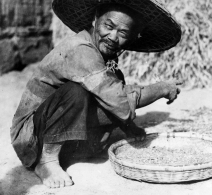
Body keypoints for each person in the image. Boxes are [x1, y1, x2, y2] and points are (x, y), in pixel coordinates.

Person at [10, 0, 182, 189]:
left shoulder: (103, 54)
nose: (113, 37)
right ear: (95, 20)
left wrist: (127, 126)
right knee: (78, 91)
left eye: (123, 33)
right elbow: (117, 99)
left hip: (53, 127)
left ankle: (69, 149)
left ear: (132, 38)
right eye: (109, 26)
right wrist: (161, 88)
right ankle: (47, 162)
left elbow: (112, 90)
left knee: (112, 79)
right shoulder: (82, 49)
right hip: (30, 137)